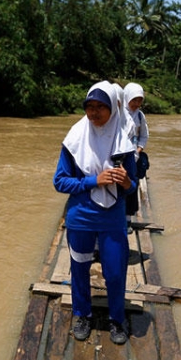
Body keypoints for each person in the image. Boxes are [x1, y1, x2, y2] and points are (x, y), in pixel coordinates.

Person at [53, 81, 138, 345]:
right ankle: (83, 314)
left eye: (101, 106)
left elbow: (133, 184)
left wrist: (125, 182)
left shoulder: (124, 144)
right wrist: (94, 181)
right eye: (89, 106)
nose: (94, 112)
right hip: (80, 216)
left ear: (113, 108)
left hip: (112, 218)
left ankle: (116, 318)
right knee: (79, 268)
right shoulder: (74, 140)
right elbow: (60, 181)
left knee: (114, 271)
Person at [123, 83, 150, 221]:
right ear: (126, 97)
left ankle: (127, 219)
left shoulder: (140, 116)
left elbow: (144, 136)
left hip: (134, 156)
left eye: (140, 100)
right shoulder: (118, 113)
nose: (137, 103)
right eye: (134, 99)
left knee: (132, 185)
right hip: (119, 156)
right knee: (117, 184)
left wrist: (139, 150)